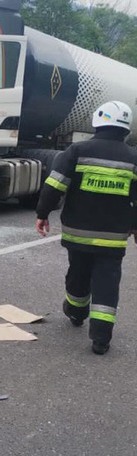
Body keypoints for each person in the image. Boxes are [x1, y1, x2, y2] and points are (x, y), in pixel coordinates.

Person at [36, 100, 137, 355]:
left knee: (78, 273)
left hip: (78, 233)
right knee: (107, 282)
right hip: (113, 238)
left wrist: (42, 213)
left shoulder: (77, 150)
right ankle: (101, 339)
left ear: (97, 121)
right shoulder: (133, 158)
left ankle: (76, 311)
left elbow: (54, 186)